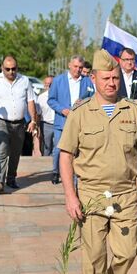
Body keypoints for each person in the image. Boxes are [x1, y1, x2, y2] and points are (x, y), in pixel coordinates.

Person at [58, 49, 137, 274]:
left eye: (115, 77)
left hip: (126, 194)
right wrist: (70, 196)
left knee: (127, 252)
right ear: (94, 78)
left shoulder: (133, 111)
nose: (112, 83)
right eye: (106, 78)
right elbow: (66, 156)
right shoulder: (80, 113)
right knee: (94, 257)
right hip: (90, 195)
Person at [0, 56, 37, 193]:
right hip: (0, 121)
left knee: (16, 152)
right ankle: (0, 180)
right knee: (1, 149)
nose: (11, 72)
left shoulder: (24, 81)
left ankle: (11, 178)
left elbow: (30, 101)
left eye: (14, 69)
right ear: (2, 68)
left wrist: (33, 120)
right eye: (7, 69)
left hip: (19, 123)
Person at [47, 56, 94, 185]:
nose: (78, 70)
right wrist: (62, 110)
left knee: (77, 151)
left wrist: (84, 102)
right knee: (59, 149)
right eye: (75, 67)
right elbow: (51, 100)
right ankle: (56, 171)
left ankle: (75, 178)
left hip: (80, 123)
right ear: (69, 65)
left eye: (80, 68)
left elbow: (93, 98)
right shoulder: (58, 81)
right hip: (61, 122)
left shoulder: (87, 82)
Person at [35, 76, 55, 156]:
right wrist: (37, 128)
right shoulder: (41, 97)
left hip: (58, 125)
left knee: (57, 148)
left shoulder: (61, 96)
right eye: (47, 84)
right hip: (46, 125)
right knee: (47, 148)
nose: (49, 86)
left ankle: (56, 166)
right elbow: (38, 114)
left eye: (51, 84)